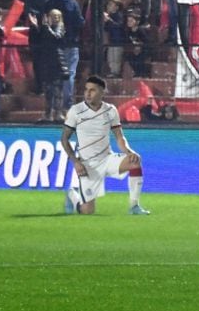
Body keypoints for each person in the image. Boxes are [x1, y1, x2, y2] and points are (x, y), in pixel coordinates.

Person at [61, 76, 149, 215]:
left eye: (92, 90)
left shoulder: (110, 110)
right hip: (88, 164)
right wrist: (76, 162)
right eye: (86, 90)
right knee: (87, 211)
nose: (88, 93)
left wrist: (129, 151)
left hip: (107, 158)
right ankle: (73, 196)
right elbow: (64, 140)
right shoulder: (76, 111)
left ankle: (134, 207)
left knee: (135, 161)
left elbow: (119, 137)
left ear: (102, 92)